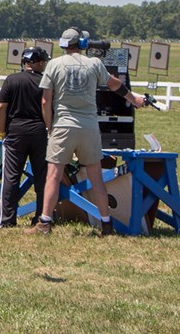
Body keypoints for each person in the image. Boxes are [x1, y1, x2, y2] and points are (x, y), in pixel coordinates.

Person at [25, 28, 144, 236]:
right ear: (81, 44)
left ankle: (44, 223)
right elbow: (115, 84)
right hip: (89, 126)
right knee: (96, 177)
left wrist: (50, 127)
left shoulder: (53, 65)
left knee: (53, 175)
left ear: (63, 44)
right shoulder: (94, 64)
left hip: (63, 125)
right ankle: (106, 224)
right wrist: (134, 99)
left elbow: (45, 100)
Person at [0, 47, 50, 228]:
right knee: (42, 177)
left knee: (11, 177)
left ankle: (8, 219)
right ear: (39, 63)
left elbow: (1, 108)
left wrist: (3, 131)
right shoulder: (45, 82)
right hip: (40, 132)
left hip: (16, 131)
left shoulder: (12, 80)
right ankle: (41, 217)